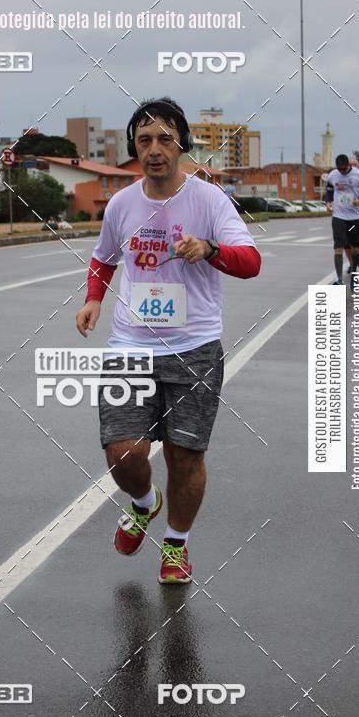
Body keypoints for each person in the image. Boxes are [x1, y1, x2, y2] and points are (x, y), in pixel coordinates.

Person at [75, 97, 261, 584]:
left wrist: (210, 248)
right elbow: (103, 258)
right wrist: (94, 298)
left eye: (164, 139)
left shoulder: (208, 200)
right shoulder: (122, 203)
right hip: (130, 345)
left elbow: (251, 261)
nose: (154, 149)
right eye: (144, 141)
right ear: (134, 148)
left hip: (194, 346)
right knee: (123, 452)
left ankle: (176, 545)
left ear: (182, 145)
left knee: (184, 455)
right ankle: (143, 503)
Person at [325, 154, 359, 289]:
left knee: (355, 248)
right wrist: (328, 202)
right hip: (339, 216)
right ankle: (339, 280)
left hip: (355, 216)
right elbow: (329, 189)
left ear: (349, 166)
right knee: (338, 247)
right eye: (339, 169)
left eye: (344, 169)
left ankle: (354, 273)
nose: (341, 172)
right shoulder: (333, 175)